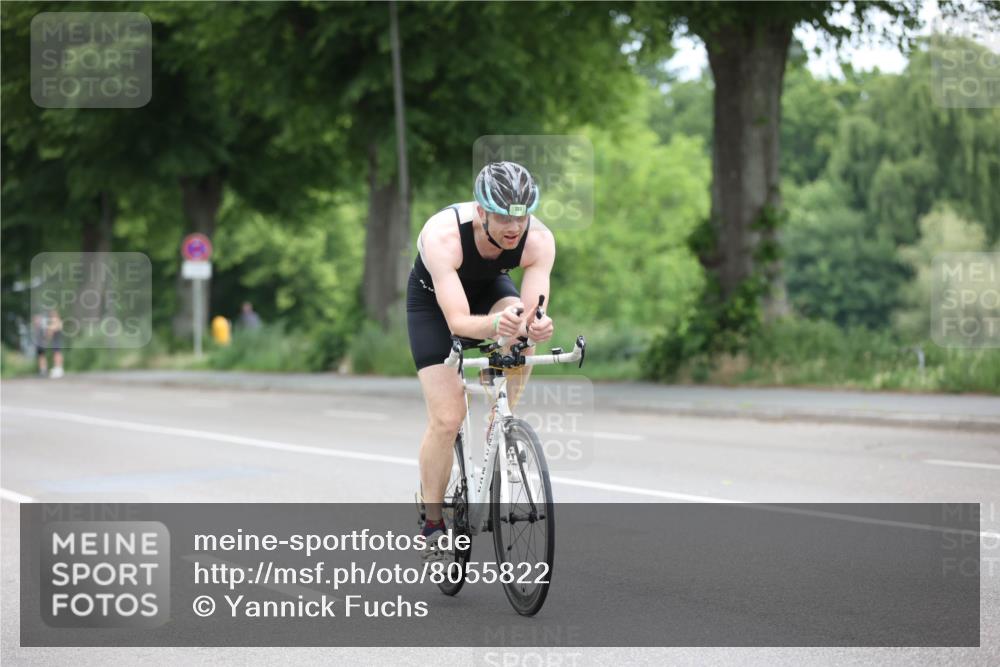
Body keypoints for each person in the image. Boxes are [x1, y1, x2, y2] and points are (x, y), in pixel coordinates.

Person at [406, 161, 555, 559]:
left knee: (522, 334)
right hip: (434, 305)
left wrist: (535, 326)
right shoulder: (443, 236)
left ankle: (499, 420)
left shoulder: (538, 239)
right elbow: (456, 320)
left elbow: (531, 311)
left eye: (521, 218)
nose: (514, 227)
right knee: (448, 416)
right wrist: (496, 325)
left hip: (490, 288)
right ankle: (432, 521)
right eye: (504, 216)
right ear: (481, 210)